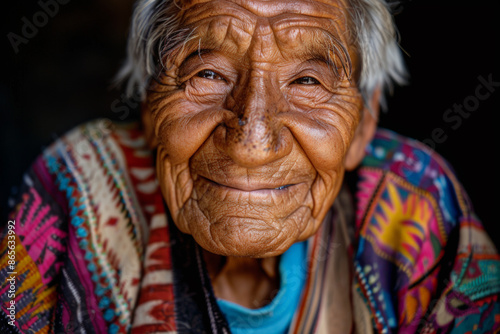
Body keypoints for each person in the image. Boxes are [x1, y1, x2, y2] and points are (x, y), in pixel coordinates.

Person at [1, 0, 499, 333]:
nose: (251, 142)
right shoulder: (72, 183)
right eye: (208, 73)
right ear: (150, 106)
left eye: (307, 82)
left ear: (363, 124)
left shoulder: (415, 203)